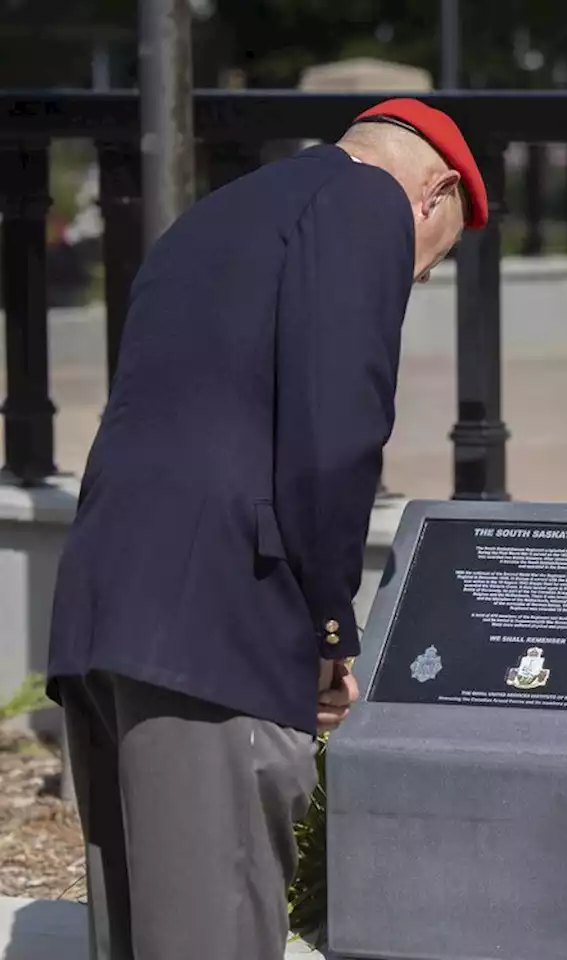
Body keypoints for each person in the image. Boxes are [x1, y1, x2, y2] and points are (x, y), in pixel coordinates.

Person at [44, 98, 488, 960]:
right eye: (435, 257)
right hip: (222, 615)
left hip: (106, 606)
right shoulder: (366, 205)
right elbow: (336, 431)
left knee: (140, 934)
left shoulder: (218, 216)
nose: (420, 274)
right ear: (432, 193)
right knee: (215, 929)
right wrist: (328, 620)